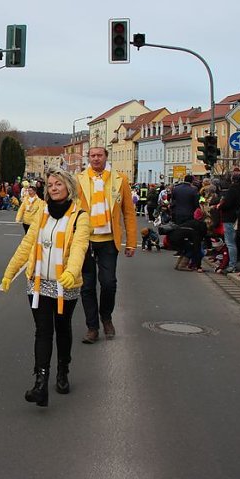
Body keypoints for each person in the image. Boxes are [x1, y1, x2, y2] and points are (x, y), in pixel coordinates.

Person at [0, 168, 90, 407]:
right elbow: (27, 244)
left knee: (62, 329)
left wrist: (72, 272)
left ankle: (63, 370)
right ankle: (40, 383)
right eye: (50, 185)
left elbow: (80, 246)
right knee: (42, 331)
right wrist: (10, 271)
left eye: (58, 184)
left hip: (65, 285)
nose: (53, 188)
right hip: (38, 283)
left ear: (68, 187)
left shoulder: (80, 216)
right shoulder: (42, 213)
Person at [76, 146, 137, 344]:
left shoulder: (120, 180)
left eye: (99, 155)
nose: (95, 159)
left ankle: (106, 317)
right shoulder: (79, 179)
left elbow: (128, 212)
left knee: (109, 283)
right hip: (85, 240)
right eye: (92, 156)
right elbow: (72, 210)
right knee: (87, 286)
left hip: (109, 239)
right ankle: (92, 327)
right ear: (89, 158)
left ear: (106, 157)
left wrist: (132, 242)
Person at [217, 173, 240, 274]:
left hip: (229, 217)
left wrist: (220, 206)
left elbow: (227, 204)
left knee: (230, 242)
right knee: (233, 241)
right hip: (235, 217)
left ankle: (232, 264)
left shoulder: (232, 190)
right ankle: (231, 262)